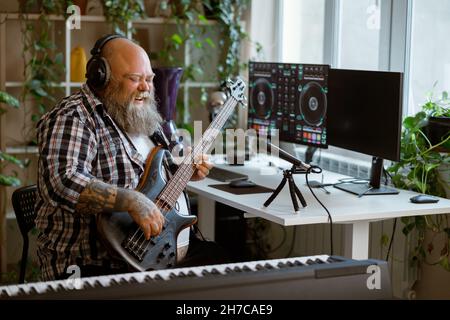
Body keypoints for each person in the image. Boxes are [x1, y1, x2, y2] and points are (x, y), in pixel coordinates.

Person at [35, 34, 229, 281]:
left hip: (156, 253)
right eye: (135, 79)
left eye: (149, 79)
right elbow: (63, 181)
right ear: (101, 76)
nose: (146, 88)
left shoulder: (141, 114)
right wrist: (131, 201)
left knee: (227, 269)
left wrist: (184, 168)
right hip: (93, 265)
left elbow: (162, 166)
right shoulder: (73, 117)